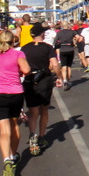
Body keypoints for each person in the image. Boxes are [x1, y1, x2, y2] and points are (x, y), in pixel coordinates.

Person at [0, 29, 31, 176]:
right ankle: (13, 155)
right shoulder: (18, 54)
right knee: (14, 125)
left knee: (4, 131)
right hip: (15, 93)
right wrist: (16, 71)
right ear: (14, 41)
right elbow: (26, 70)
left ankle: (6, 159)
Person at [22, 23, 63, 156]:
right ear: (42, 34)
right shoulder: (47, 47)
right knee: (44, 109)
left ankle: (32, 136)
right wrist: (59, 77)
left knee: (33, 111)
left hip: (29, 80)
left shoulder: (24, 48)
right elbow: (55, 64)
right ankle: (41, 136)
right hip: (44, 79)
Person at [54, 21, 77, 90]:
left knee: (64, 66)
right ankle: (69, 81)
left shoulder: (59, 33)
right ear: (68, 25)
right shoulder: (72, 32)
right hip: (70, 49)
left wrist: (59, 43)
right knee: (69, 66)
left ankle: (65, 81)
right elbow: (78, 37)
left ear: (62, 26)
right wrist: (73, 43)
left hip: (62, 50)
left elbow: (55, 42)